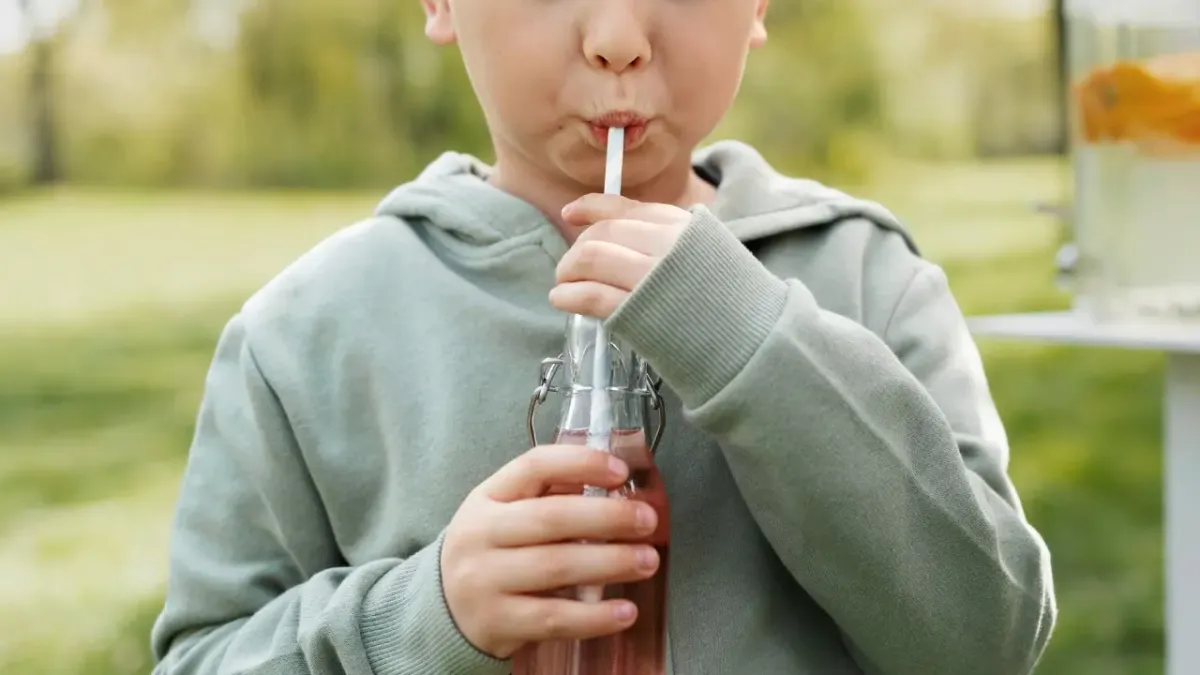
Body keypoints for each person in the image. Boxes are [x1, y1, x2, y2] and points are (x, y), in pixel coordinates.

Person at [150, 0, 1057, 673]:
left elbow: (990, 641)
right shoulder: (307, 334)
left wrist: (751, 340)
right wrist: (423, 616)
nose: (618, 36)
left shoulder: (867, 280)